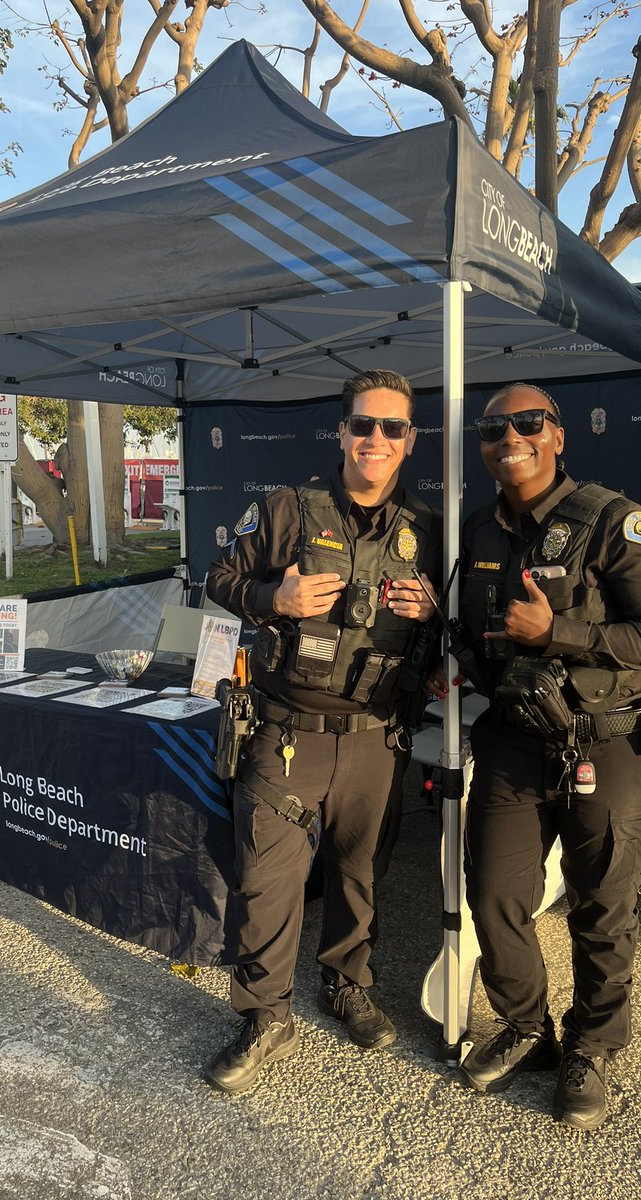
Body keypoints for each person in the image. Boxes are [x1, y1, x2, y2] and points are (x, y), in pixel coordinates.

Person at [440, 382, 641, 1131]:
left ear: (557, 436)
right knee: (494, 896)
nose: (508, 436)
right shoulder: (478, 530)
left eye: (527, 423)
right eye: (492, 428)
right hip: (514, 741)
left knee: (601, 907)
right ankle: (526, 1028)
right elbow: (476, 633)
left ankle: (592, 1048)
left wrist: (564, 634)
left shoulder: (614, 521)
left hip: (605, 744)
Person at [204, 369, 442, 1095]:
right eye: (363, 425)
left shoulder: (426, 533)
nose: (376, 439)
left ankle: (345, 983)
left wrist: (432, 612)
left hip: (375, 735)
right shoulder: (285, 509)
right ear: (342, 432)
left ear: (409, 440)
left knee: (359, 872)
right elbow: (216, 580)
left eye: (391, 428)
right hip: (286, 734)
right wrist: (270, 595)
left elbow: (442, 641)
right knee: (267, 879)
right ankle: (264, 1014)